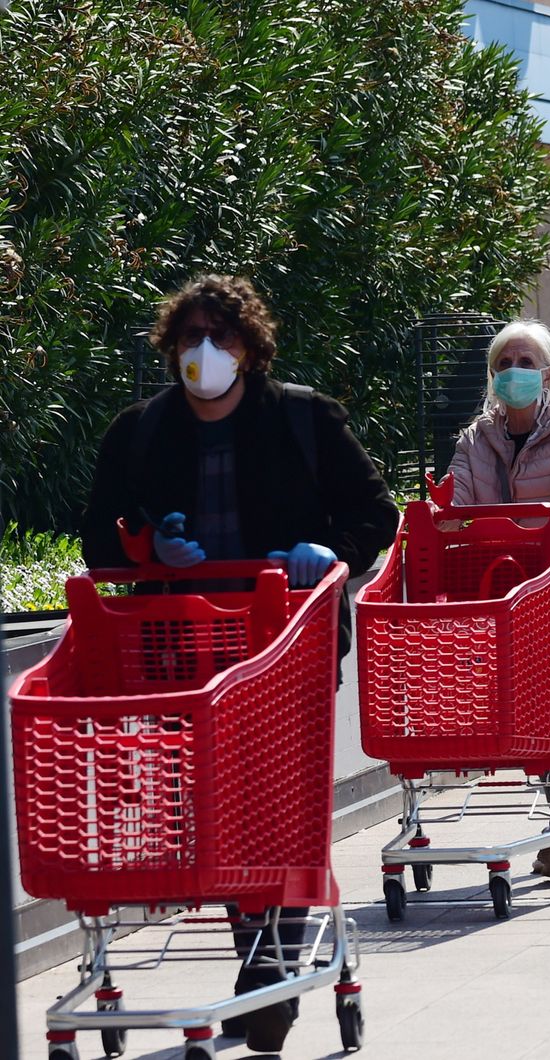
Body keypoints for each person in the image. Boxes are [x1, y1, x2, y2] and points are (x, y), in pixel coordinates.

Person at [81, 274, 399, 1053]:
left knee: (276, 799)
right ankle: (261, 957)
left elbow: (375, 511)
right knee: (217, 806)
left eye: (219, 337)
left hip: (284, 642)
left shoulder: (302, 419)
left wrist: (336, 553)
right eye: (190, 337)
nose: (204, 352)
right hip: (181, 651)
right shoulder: (141, 432)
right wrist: (148, 546)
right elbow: (97, 538)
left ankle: (269, 965)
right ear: (171, 348)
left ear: (250, 349)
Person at [446, 319, 550, 880]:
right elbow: (459, 496)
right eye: (503, 363)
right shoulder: (475, 436)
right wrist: (445, 506)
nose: (514, 372)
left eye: (525, 362)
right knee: (522, 704)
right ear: (493, 376)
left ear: (547, 370)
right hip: (494, 587)